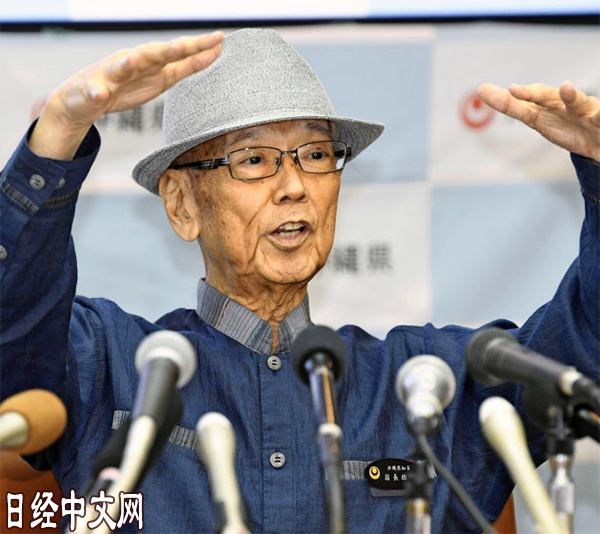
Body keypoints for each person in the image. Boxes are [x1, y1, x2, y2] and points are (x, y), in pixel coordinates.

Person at [0, 27, 598, 533]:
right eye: (253, 159)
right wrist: (58, 135)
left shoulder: (425, 387)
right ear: (181, 204)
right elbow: (14, 340)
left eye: (314, 155)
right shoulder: (114, 366)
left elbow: (581, 349)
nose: (294, 186)